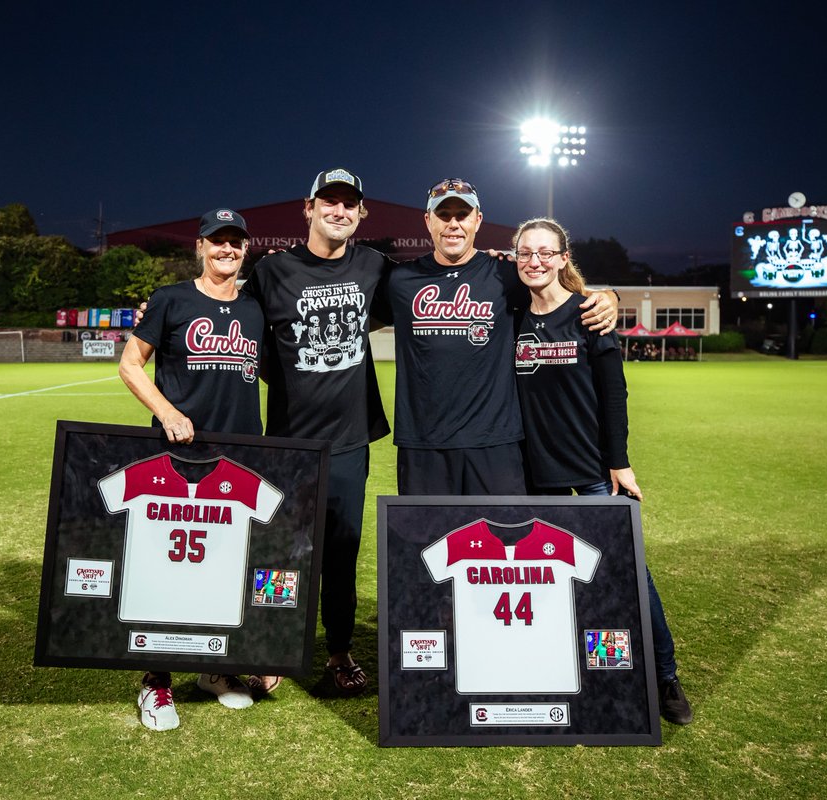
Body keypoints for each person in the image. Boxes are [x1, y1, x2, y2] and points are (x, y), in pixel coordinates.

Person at [510, 216, 694, 725]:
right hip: (536, 472)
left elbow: (615, 394)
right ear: (517, 259)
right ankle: (557, 662)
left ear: (564, 259)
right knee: (546, 576)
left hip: (593, 470)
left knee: (628, 569)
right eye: (527, 253)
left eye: (547, 252)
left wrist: (620, 462)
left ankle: (665, 676)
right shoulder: (512, 317)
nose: (536, 261)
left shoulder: (589, 314)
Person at [241, 168, 391, 695]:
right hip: (289, 444)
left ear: (360, 213)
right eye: (328, 201)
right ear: (308, 208)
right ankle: (273, 645)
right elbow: (234, 325)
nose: (339, 211)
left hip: (349, 442)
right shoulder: (272, 270)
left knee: (341, 554)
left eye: (349, 204)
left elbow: (434, 287)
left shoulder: (374, 265)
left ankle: (339, 652)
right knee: (281, 550)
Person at [374, 179, 619, 495]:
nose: (453, 224)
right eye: (443, 214)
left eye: (462, 215)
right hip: (423, 445)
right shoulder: (400, 280)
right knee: (427, 542)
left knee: (502, 539)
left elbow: (558, 293)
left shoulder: (505, 274)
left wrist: (609, 295)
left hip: (496, 444)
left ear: (477, 220)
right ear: (428, 220)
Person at [117, 207, 265, 730]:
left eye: (235, 242)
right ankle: (156, 682)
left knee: (223, 565)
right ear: (199, 246)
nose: (227, 249)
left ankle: (214, 669)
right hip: (177, 457)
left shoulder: (255, 308)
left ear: (246, 248)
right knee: (166, 568)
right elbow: (129, 364)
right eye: (217, 241)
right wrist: (167, 411)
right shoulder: (170, 299)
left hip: (240, 455)